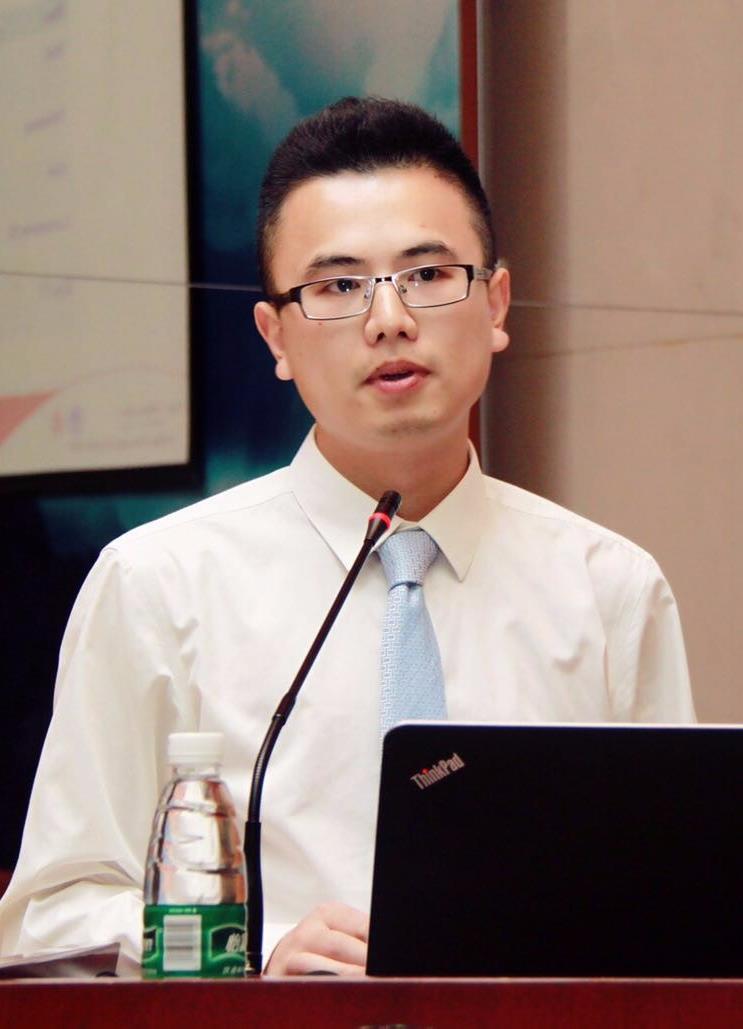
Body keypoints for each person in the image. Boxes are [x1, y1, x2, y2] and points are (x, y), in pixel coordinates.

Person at [0, 97, 695, 975]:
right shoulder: (158, 582)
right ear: (276, 337)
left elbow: (681, 908)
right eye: (336, 287)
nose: (388, 319)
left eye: (428, 274)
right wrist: (249, 957)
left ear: (496, 304)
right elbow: (51, 920)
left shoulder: (608, 589)